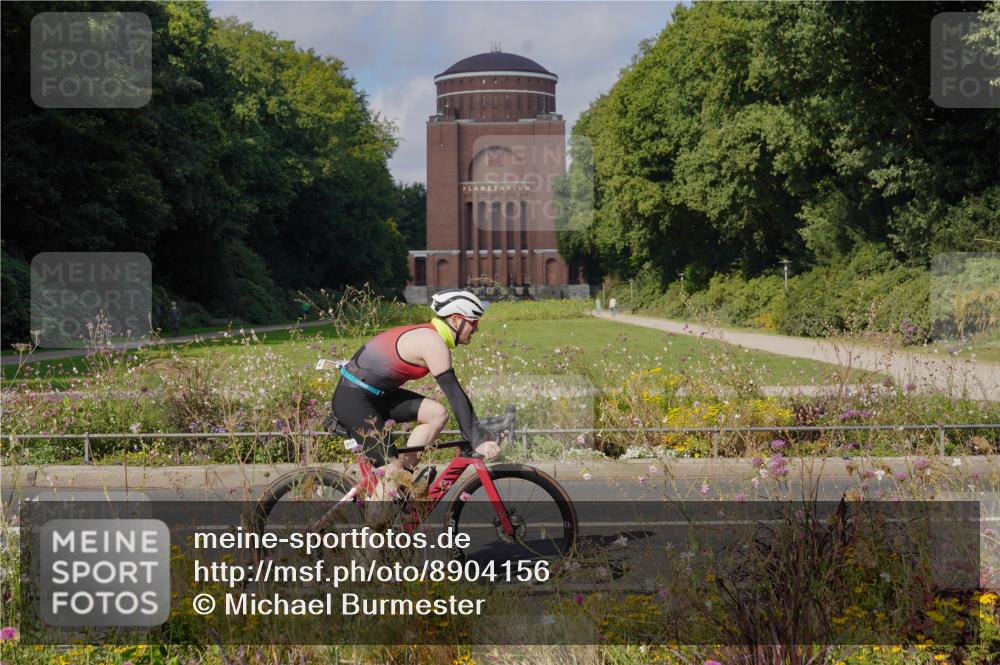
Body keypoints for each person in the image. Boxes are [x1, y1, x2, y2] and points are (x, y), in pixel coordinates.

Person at [330, 289, 500, 499]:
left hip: (375, 396)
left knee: (436, 414)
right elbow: (454, 394)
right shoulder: (432, 341)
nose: (476, 328)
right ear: (456, 320)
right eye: (473, 322)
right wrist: (477, 438)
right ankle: (379, 514)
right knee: (390, 473)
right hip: (354, 400)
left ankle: (403, 481)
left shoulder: (431, 335)